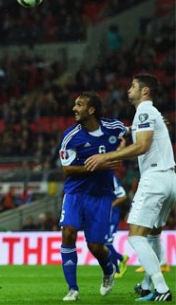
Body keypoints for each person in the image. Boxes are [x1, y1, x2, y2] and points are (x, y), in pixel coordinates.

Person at [85, 74, 176, 301]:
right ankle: (147, 286)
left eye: (133, 86)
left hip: (154, 178)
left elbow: (142, 145)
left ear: (144, 91)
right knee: (153, 233)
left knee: (135, 236)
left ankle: (162, 289)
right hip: (169, 178)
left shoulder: (145, 111)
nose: (128, 89)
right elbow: (139, 134)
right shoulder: (148, 114)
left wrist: (107, 156)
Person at [58, 91, 127, 301]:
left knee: (95, 246)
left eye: (79, 105)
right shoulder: (71, 136)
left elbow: (130, 134)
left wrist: (121, 149)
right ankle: (72, 288)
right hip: (75, 192)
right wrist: (99, 164)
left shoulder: (113, 127)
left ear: (91, 110)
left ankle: (108, 271)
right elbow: (67, 169)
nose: (74, 109)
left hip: (101, 195)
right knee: (68, 232)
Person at [108, 175, 129, 279]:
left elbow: (123, 196)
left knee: (106, 243)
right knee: (99, 243)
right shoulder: (94, 178)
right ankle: (121, 259)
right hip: (100, 216)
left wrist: (110, 205)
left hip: (111, 216)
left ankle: (117, 269)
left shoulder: (111, 178)